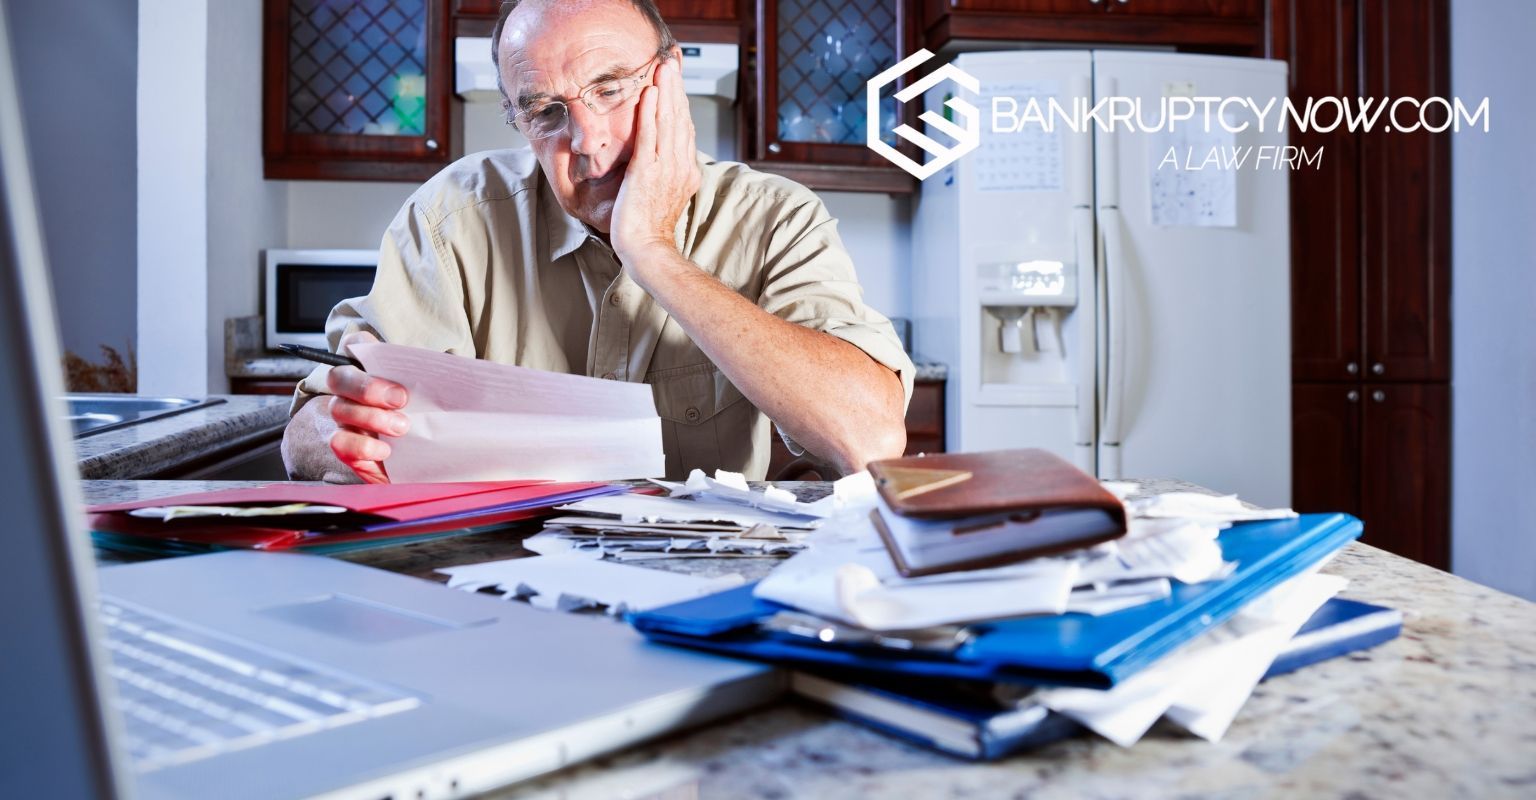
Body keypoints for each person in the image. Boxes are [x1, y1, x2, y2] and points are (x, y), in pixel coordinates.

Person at [281, 0, 914, 484]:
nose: (587, 139)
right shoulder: (452, 217)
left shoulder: (777, 218)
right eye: (545, 111)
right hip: (504, 577)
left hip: (702, 583)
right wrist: (334, 433)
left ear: (670, 82)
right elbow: (308, 432)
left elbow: (869, 441)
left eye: (610, 90)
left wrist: (653, 251)